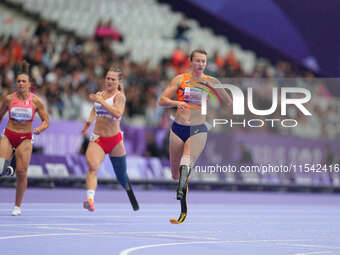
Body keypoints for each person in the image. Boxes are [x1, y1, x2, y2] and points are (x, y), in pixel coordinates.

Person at [158, 48, 232, 224]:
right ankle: (181, 184)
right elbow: (161, 101)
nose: (200, 64)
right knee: (176, 174)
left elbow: (228, 102)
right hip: (178, 128)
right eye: (197, 61)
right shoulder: (180, 79)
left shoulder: (211, 81)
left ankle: (182, 204)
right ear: (191, 62)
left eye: (203, 61)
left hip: (198, 129)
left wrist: (217, 106)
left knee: (187, 161)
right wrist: (177, 103)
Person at [81, 66, 139, 212]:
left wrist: (102, 102)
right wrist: (88, 123)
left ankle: (128, 189)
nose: (109, 81)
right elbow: (94, 109)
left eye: (113, 79)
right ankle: (90, 200)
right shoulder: (100, 94)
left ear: (119, 81)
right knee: (93, 166)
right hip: (98, 139)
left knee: (121, 177)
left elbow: (118, 113)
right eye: (108, 78)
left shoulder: (120, 97)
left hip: (115, 141)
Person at [0, 61, 49, 216]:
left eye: (23, 81)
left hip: (25, 138)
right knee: (1, 168)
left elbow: (46, 121)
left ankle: (17, 206)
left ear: (29, 84)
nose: (21, 84)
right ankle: (10, 166)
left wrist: (40, 129)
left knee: (22, 172)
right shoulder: (8, 99)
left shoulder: (36, 101)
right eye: (18, 81)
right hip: (9, 135)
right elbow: (0, 115)